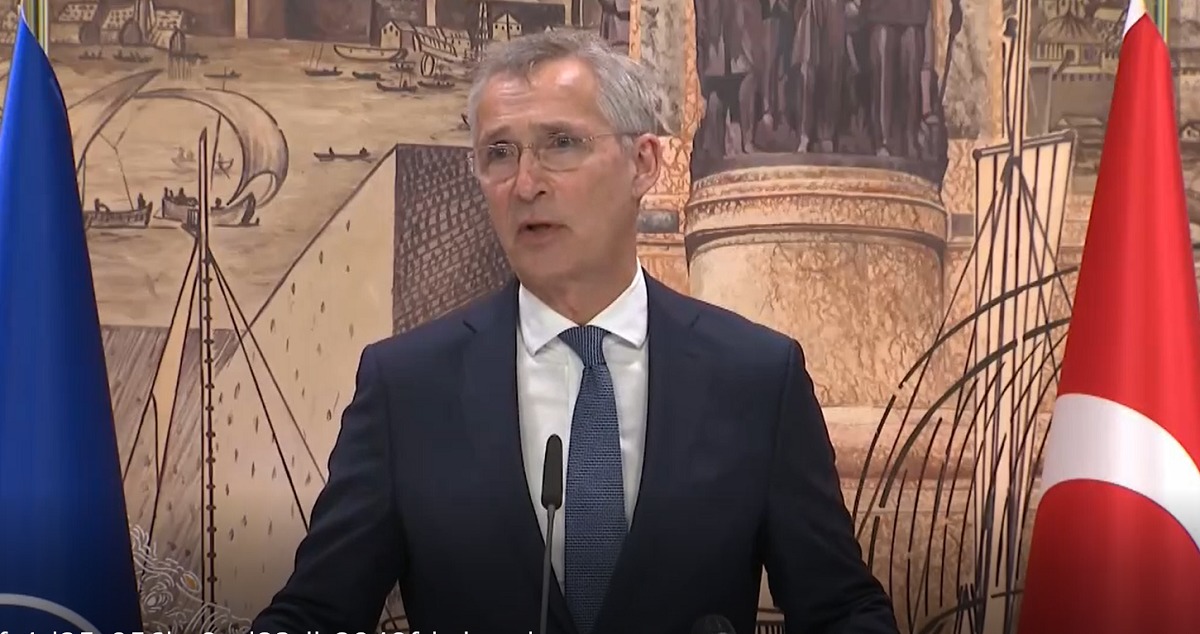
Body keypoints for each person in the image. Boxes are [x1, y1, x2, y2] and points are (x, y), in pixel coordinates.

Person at [250, 29, 898, 634]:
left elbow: (843, 609)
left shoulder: (756, 377)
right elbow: (315, 611)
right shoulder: (406, 388)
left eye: (561, 143)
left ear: (643, 163)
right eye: (498, 153)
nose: (525, 184)